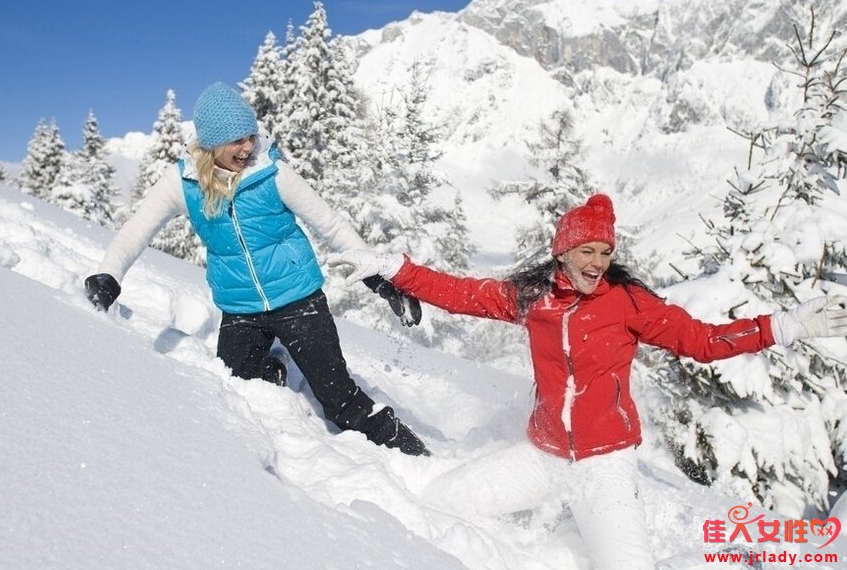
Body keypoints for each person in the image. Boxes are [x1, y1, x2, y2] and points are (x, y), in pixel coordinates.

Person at [328, 193, 847, 569]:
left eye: (605, 253)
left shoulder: (629, 303)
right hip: (543, 455)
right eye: (587, 252)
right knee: (443, 504)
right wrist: (392, 267)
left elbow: (704, 341)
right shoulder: (534, 298)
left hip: (605, 467)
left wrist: (788, 325)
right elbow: (461, 292)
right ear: (563, 253)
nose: (597, 263)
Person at [84, 82, 430, 457]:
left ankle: (415, 456)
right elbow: (137, 228)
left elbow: (330, 224)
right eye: (237, 140)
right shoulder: (182, 182)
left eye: (250, 135)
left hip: (299, 301)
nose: (248, 147)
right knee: (236, 382)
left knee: (339, 399)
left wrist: (379, 277)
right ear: (212, 144)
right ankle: (275, 372)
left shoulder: (271, 172)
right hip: (241, 308)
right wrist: (109, 274)